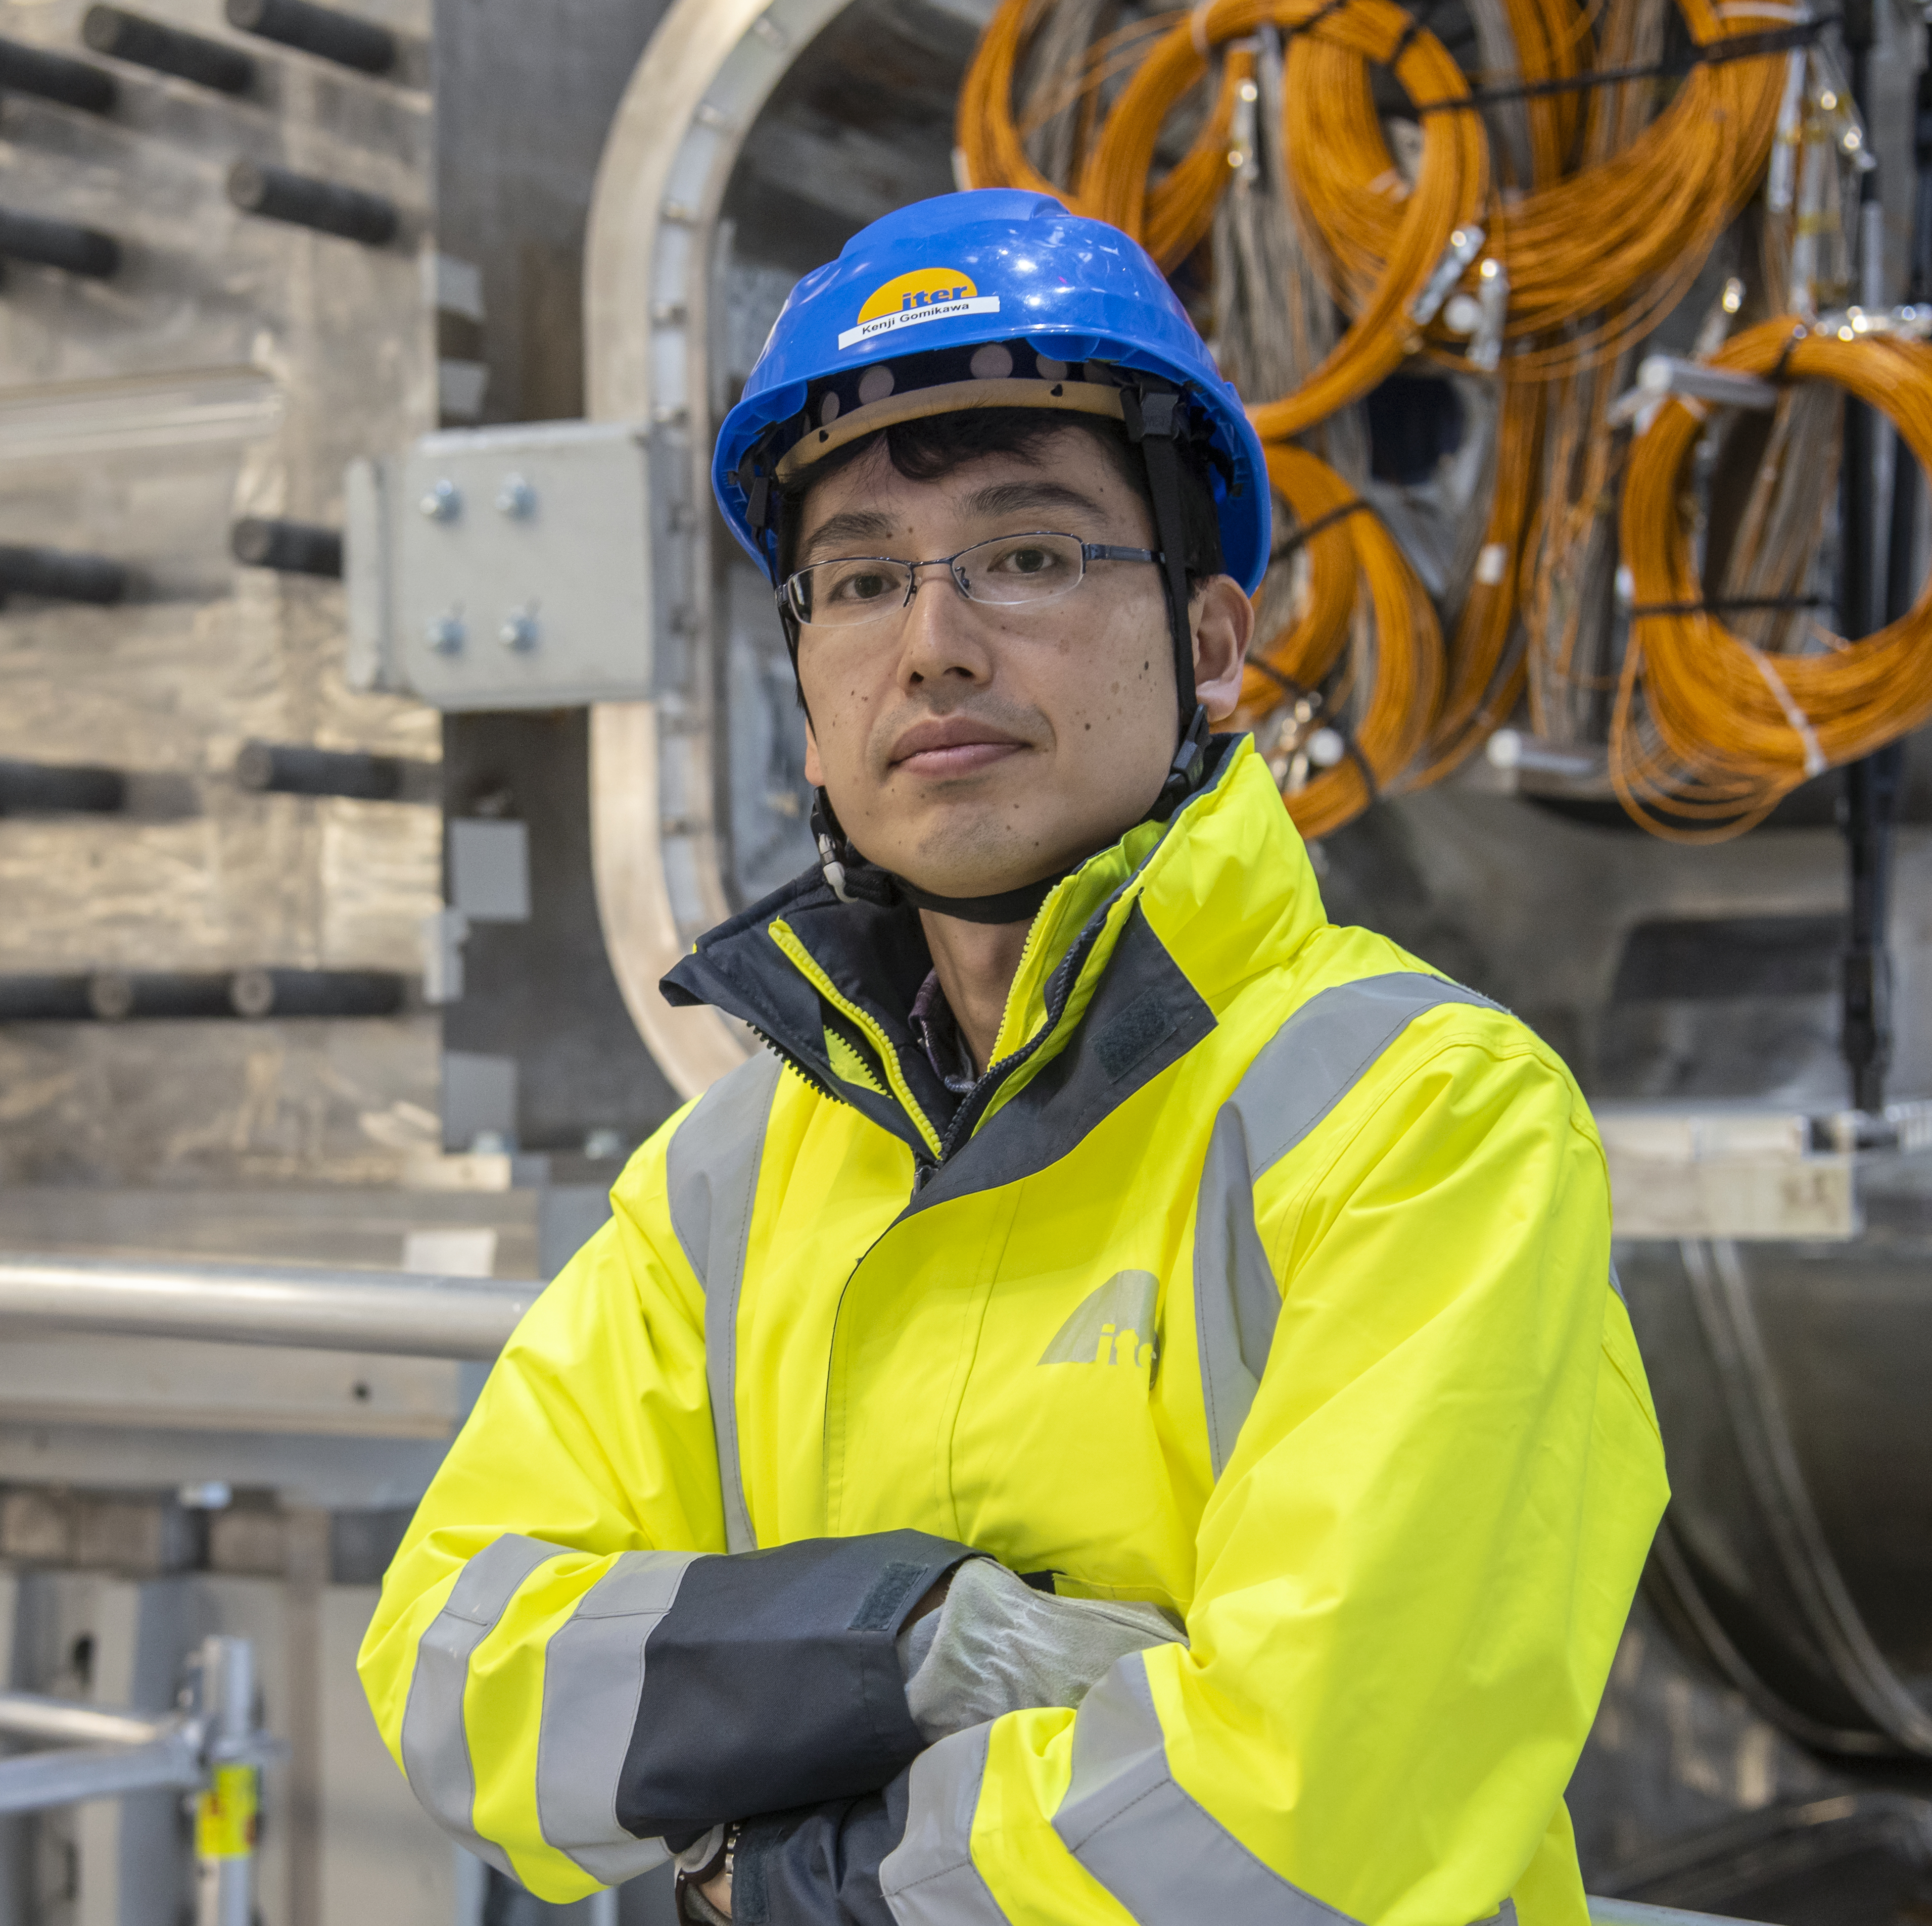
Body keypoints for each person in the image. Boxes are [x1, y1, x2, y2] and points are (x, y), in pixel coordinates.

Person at [358, 189, 1666, 1926]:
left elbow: (1299, 1821)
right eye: (862, 580)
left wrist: (785, 1876)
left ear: (1209, 647)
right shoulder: (725, 1186)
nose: (938, 639)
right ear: (811, 702)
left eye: (1030, 553)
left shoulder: (1423, 1121)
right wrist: (893, 1646)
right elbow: (456, 1667)